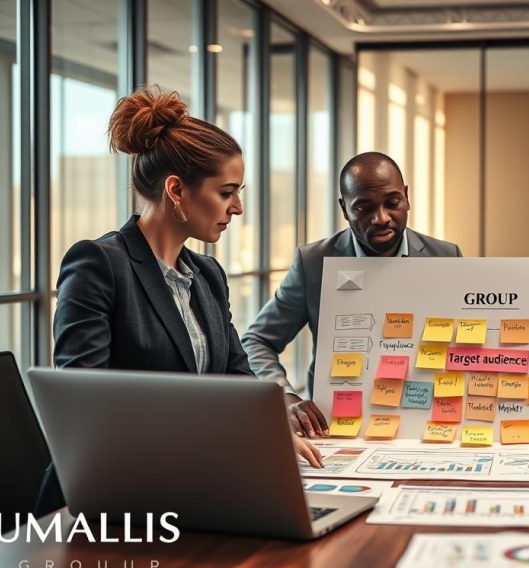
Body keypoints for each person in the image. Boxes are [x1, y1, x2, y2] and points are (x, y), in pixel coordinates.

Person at [39, 86, 321, 513]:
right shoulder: (98, 263)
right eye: (226, 192)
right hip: (106, 500)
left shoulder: (206, 275)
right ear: (176, 189)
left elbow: (236, 377)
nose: (238, 207)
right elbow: (85, 407)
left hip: (189, 485)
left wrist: (271, 432)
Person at [242, 152, 462, 438]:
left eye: (392, 203)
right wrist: (284, 396)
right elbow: (256, 341)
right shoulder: (313, 263)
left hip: (426, 419)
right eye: (364, 208)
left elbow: (463, 347)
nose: (381, 218)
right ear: (344, 209)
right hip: (336, 426)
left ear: (407, 198)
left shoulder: (446, 257)